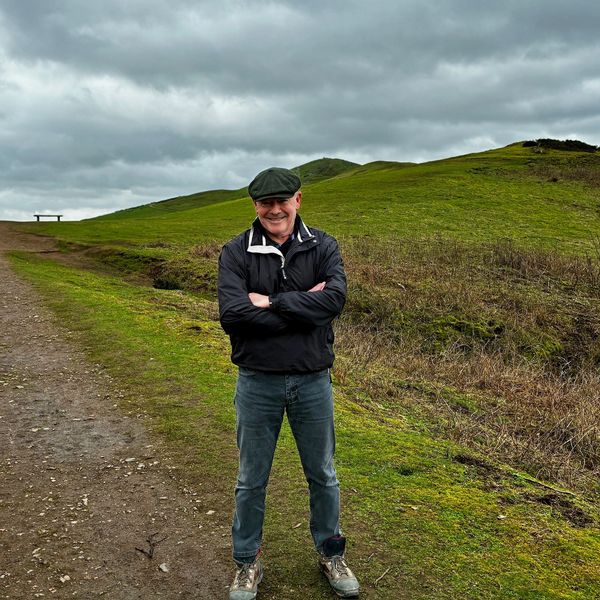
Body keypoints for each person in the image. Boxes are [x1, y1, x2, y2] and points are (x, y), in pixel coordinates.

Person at [218, 167, 360, 599]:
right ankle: (247, 563)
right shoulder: (236, 251)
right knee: (251, 478)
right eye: (266, 203)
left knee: (323, 474)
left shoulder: (324, 245)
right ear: (255, 205)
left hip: (312, 381)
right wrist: (304, 308)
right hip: (257, 382)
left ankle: (331, 554)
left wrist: (272, 303)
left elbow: (333, 301)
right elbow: (233, 315)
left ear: (299, 199)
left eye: (283, 201)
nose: (275, 210)